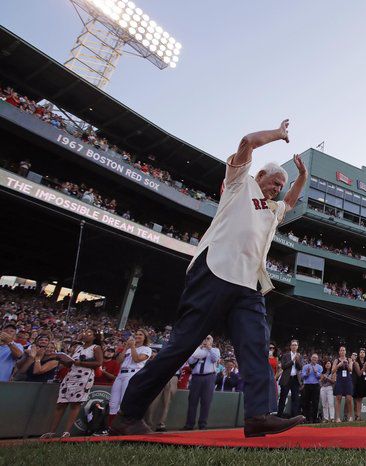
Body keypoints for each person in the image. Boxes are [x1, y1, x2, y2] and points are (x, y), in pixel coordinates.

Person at [112, 120, 307, 438]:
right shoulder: (239, 184)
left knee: (257, 345)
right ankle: (127, 415)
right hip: (213, 270)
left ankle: (259, 415)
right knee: (181, 347)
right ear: (260, 176)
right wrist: (278, 135)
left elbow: (291, 201)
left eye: (280, 186)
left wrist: (302, 176)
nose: (277, 189)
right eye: (274, 182)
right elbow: (247, 141)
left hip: (247, 285)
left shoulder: (272, 210)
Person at [41, 328, 103, 438]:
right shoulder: (78, 347)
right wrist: (62, 359)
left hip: (84, 376)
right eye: (84, 332)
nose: (85, 334)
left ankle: (66, 432)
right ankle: (52, 431)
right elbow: (72, 363)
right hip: (71, 375)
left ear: (94, 337)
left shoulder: (96, 348)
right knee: (61, 403)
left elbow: (98, 363)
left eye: (89, 333)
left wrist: (81, 363)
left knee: (75, 404)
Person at [110, 330, 152, 418]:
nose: (137, 336)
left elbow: (137, 359)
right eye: (136, 334)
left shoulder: (147, 349)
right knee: (113, 402)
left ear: (145, 338)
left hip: (132, 373)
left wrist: (132, 347)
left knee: (124, 400)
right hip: (121, 374)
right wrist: (126, 348)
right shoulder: (128, 349)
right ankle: (110, 425)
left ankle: (121, 425)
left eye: (140, 335)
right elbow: (118, 361)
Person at [184, 335, 220, 430]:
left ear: (212, 341)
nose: (206, 340)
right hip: (196, 377)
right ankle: (189, 424)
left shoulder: (215, 350)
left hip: (209, 377)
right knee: (192, 401)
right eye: (204, 338)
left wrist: (209, 348)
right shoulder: (197, 350)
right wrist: (200, 349)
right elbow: (191, 361)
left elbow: (215, 359)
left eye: (208, 338)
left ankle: (203, 424)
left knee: (206, 401)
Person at [278, 339, 302, 418]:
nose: (294, 346)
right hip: (286, 379)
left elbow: (300, 367)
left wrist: (297, 361)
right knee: (283, 397)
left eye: (295, 345)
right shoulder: (285, 355)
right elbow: (283, 366)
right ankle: (279, 416)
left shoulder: (299, 356)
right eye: (293, 345)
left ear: (297, 347)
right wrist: (292, 361)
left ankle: (293, 417)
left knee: (295, 398)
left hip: (295, 379)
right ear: (290, 346)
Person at [332, 345, 354, 422]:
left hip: (347, 380)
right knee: (338, 398)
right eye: (341, 350)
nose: (342, 351)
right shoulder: (336, 360)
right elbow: (333, 371)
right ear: (339, 352)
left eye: (343, 350)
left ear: (345, 351)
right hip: (339, 380)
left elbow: (351, 370)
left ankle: (350, 416)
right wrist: (339, 365)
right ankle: (337, 417)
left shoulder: (349, 359)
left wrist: (347, 364)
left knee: (349, 398)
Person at [300, 353, 322, 423]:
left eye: (315, 358)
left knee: (315, 402)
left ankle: (315, 418)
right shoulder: (305, 366)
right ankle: (307, 418)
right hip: (307, 385)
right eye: (313, 357)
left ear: (317, 359)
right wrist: (307, 373)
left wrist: (316, 373)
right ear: (311, 358)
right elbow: (302, 376)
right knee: (306, 402)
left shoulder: (320, 367)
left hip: (316, 385)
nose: (314, 359)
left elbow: (320, 377)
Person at [352, 348, 366, 421]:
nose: (362, 353)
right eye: (361, 352)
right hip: (359, 382)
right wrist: (364, 366)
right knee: (359, 399)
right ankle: (358, 416)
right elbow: (359, 373)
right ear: (359, 354)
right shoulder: (356, 362)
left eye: (363, 352)